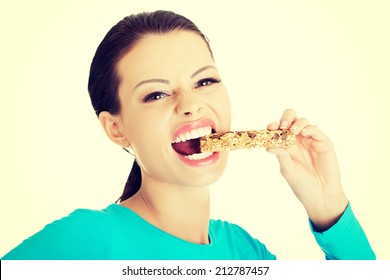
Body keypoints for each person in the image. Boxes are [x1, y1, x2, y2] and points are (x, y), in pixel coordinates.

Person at [2, 10, 375, 260]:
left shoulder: (246, 252)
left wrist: (330, 208)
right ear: (115, 128)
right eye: (157, 93)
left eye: (205, 80)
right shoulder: (87, 242)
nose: (190, 104)